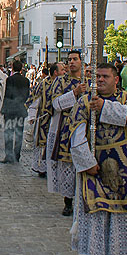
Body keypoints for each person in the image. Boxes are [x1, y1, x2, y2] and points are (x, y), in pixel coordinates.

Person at [68, 62, 127, 255]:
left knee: (116, 214)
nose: (101, 80)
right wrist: (87, 162)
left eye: (105, 76)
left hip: (122, 167)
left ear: (116, 79)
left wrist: (104, 108)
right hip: (93, 166)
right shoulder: (85, 101)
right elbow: (76, 135)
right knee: (91, 214)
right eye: (98, 76)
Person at [46, 51, 88, 216]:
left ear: (81, 62)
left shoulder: (89, 81)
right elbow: (55, 104)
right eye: (69, 60)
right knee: (67, 166)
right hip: (65, 130)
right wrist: (75, 93)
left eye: (74, 59)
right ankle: (68, 202)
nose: (71, 62)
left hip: (84, 129)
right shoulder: (60, 81)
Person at [27, 62, 65, 177]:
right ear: (55, 72)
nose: (64, 72)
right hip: (45, 118)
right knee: (42, 144)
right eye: (62, 70)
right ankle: (42, 167)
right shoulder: (43, 84)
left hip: (60, 119)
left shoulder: (65, 83)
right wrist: (32, 116)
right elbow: (35, 99)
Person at [0, 59, 30, 163]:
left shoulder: (10, 79)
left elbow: (7, 94)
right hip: (20, 109)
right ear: (21, 68)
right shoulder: (26, 80)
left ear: (12, 68)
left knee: (9, 132)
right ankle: (17, 155)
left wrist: (4, 108)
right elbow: (27, 95)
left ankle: (8, 156)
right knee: (19, 133)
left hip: (10, 110)